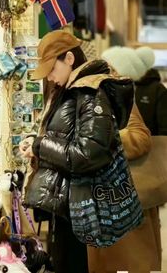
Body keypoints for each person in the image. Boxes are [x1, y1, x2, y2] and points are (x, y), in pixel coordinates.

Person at [19, 30, 134, 273]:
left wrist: (40, 146)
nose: (50, 77)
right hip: (67, 205)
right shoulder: (69, 93)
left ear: (69, 59)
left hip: (80, 205)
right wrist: (35, 143)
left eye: (52, 68)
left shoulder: (90, 94)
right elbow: (62, 139)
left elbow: (87, 154)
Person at [88, 45, 162, 272]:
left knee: (134, 261)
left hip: (128, 191)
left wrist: (106, 141)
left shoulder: (123, 99)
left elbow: (141, 138)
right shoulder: (89, 99)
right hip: (100, 201)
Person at [134, 47, 167, 135]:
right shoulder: (127, 86)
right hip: (128, 142)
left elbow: (164, 124)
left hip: (153, 142)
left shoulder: (159, 90)